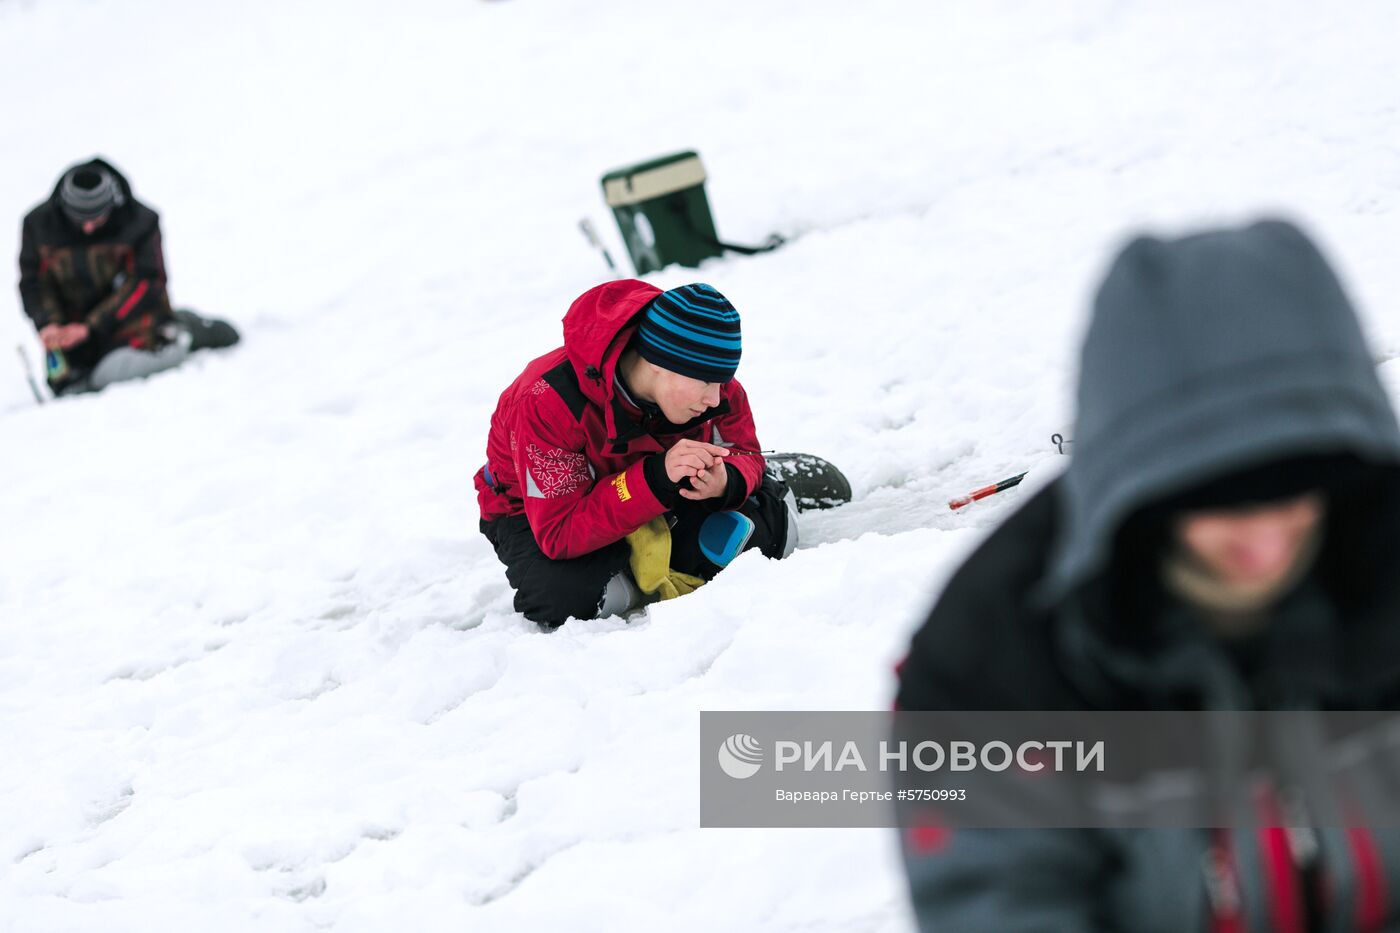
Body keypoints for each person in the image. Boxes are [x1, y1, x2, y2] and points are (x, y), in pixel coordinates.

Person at [896, 221, 1400, 931]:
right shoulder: (995, 658)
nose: (1263, 547)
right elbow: (1001, 900)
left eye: (1291, 499)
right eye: (1220, 511)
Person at [476, 280, 798, 628]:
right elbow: (560, 531)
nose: (716, 398)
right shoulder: (547, 399)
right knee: (561, 599)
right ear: (660, 363)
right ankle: (645, 561)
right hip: (541, 510)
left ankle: (767, 492)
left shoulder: (710, 383)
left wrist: (727, 480)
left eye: (722, 382)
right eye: (707, 384)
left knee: (768, 537)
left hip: (661, 488)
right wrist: (654, 479)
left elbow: (743, 450)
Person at [18, 157, 239, 395]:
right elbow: (34, 281)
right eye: (80, 219)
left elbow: (148, 281)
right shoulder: (39, 225)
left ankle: (183, 331)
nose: (89, 227)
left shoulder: (138, 221)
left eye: (97, 218)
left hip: (128, 320)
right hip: (70, 332)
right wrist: (49, 324)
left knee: (114, 374)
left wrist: (91, 327)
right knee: (68, 387)